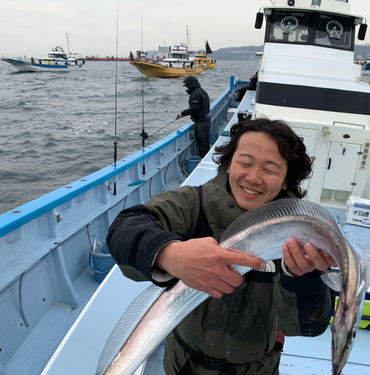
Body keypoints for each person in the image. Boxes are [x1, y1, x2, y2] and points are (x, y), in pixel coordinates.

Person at [107, 118, 335, 375]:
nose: (253, 178)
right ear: (228, 164)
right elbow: (124, 229)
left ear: (285, 181)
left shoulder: (299, 239)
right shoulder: (194, 205)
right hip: (184, 366)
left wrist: (301, 278)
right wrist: (171, 254)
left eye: (270, 170)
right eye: (245, 163)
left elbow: (309, 326)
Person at [177, 76, 211, 158]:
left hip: (201, 123)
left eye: (187, 86)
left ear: (191, 85)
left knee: (202, 144)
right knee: (206, 142)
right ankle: (207, 158)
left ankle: (203, 161)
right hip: (207, 121)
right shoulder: (202, 91)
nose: (187, 88)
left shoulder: (196, 94)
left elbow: (194, 108)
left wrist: (182, 114)